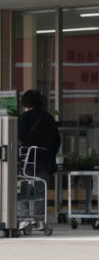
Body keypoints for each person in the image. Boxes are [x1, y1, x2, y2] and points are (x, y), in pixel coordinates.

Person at [17, 90, 61, 221]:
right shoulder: (48, 117)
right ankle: (39, 220)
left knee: (21, 190)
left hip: (27, 161)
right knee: (40, 192)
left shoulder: (24, 117)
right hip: (44, 161)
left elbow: (19, 136)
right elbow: (57, 140)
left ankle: (24, 218)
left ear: (25, 103)